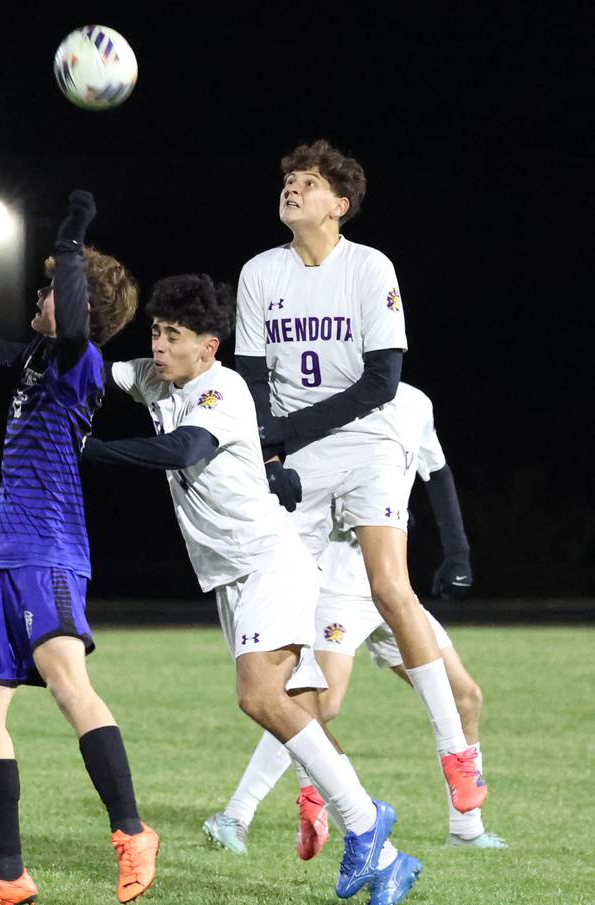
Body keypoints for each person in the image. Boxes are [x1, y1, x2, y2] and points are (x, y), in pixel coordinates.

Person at [80, 273, 421, 905]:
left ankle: (369, 822)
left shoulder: (223, 388)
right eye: (155, 332)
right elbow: (90, 368)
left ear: (207, 347)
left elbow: (185, 448)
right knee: (287, 705)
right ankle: (385, 852)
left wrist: (88, 452)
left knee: (259, 695)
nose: (158, 345)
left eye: (173, 336)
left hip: (271, 563)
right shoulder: (159, 376)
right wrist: (15, 351)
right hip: (233, 576)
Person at [0, 191, 159, 905]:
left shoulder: (80, 361)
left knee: (64, 680)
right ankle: (8, 873)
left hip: (48, 552)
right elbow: (6, 366)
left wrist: (73, 239)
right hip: (8, 561)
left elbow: (75, 326)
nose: (42, 295)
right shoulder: (38, 363)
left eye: (52, 289)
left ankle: (133, 831)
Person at [233, 139, 486, 815]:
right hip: (300, 456)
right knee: (282, 616)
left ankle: (456, 755)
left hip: (368, 442)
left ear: (339, 206)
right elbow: (255, 382)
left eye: (309, 182)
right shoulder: (260, 273)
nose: (293, 188)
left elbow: (382, 382)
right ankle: (319, 785)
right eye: (288, 179)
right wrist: (272, 454)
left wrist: (287, 433)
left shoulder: (370, 268)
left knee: (388, 585)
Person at [203, 384, 507, 856]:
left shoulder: (415, 404)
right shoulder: (321, 403)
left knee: (466, 695)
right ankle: (236, 815)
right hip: (340, 585)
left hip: (391, 589)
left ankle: (466, 827)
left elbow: (438, 473)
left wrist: (458, 551)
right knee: (318, 706)